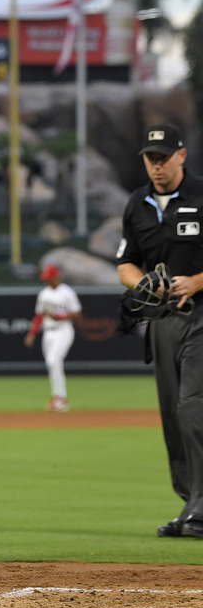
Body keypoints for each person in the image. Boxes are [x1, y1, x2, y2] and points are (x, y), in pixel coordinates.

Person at [115, 122, 203, 539]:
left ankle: (200, 508)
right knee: (172, 416)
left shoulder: (201, 196)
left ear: (181, 156)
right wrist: (143, 283)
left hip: (201, 317)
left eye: (163, 157)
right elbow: (126, 264)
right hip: (162, 322)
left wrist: (197, 281)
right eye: (151, 158)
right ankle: (192, 505)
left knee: (192, 407)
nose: (157, 165)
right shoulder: (137, 204)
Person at [23, 264, 82, 411]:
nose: (46, 281)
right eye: (45, 278)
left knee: (53, 360)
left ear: (56, 276)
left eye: (49, 278)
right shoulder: (44, 293)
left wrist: (60, 317)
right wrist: (32, 333)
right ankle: (57, 397)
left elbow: (77, 314)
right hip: (48, 332)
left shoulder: (67, 292)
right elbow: (39, 315)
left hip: (63, 330)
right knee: (51, 365)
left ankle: (60, 399)